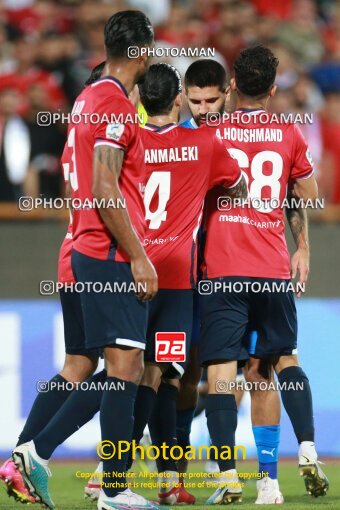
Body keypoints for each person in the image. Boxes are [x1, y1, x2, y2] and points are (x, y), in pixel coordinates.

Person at [12, 10, 160, 510]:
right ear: (141, 51)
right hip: (109, 251)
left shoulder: (86, 99)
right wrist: (138, 256)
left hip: (80, 247)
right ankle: (55, 459)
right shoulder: (116, 105)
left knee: (93, 363)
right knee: (126, 368)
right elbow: (103, 186)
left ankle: (53, 462)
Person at [200, 45, 328, 505]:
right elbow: (307, 192)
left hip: (222, 271)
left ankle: (226, 475)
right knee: (267, 370)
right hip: (272, 269)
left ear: (232, 85)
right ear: (273, 90)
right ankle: (271, 481)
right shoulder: (289, 132)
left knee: (221, 372)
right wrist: (304, 247)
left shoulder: (208, 130)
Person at [0, 63, 106, 506]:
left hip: (73, 255)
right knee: (132, 367)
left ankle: (19, 456)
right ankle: (89, 470)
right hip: (101, 261)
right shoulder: (113, 133)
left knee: (79, 363)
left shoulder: (78, 134)